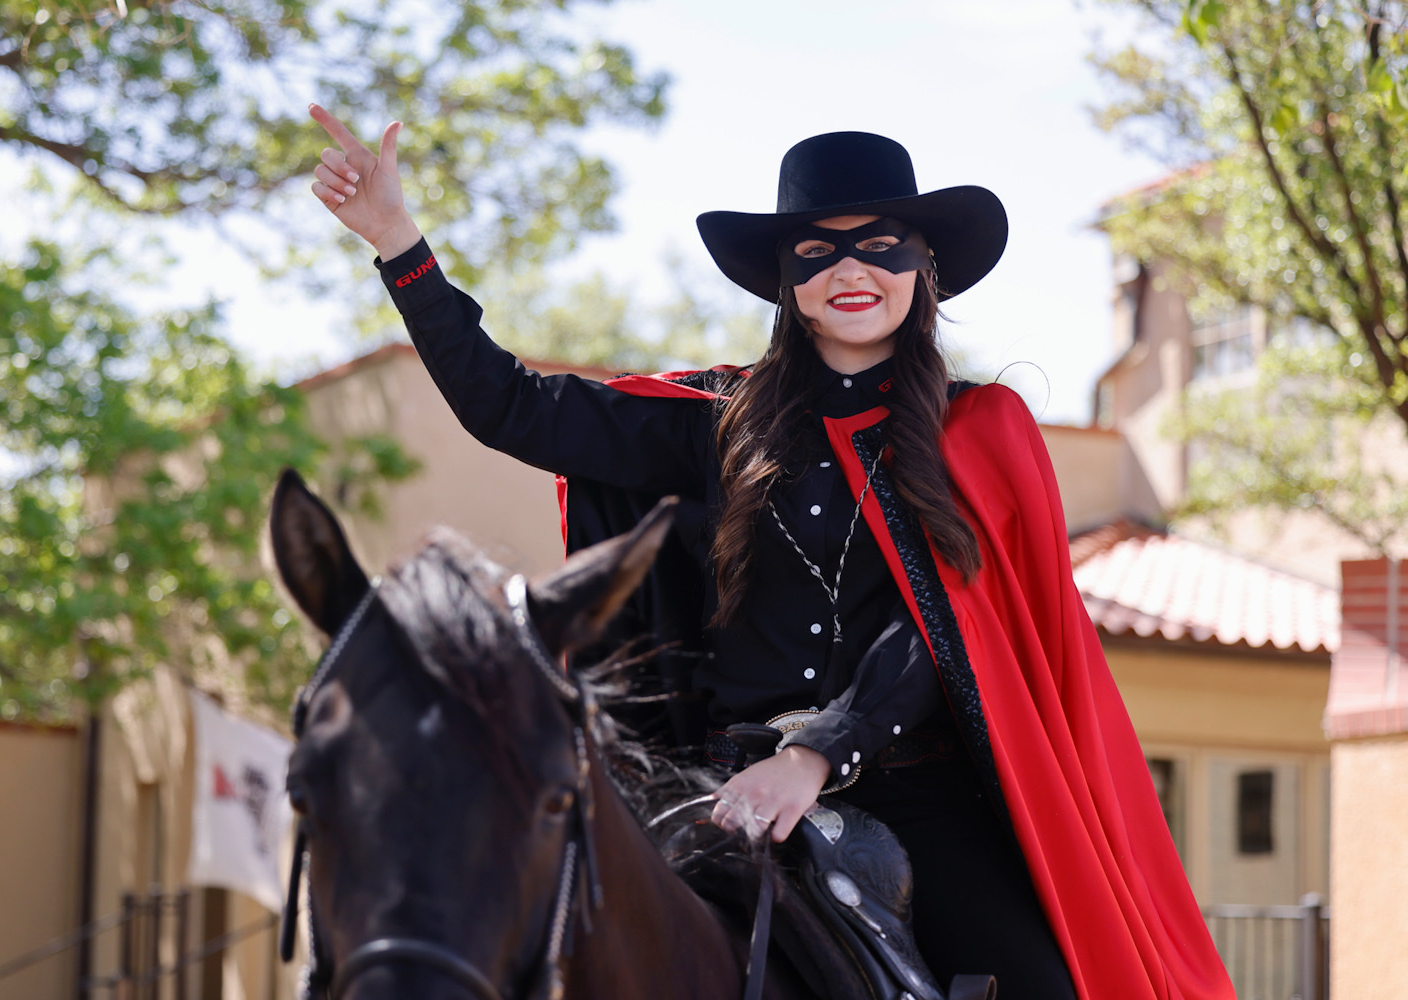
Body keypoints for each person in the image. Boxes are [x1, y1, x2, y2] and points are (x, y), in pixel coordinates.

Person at [306, 106, 1235, 1000]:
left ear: (923, 266)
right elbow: (511, 406)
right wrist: (399, 245)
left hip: (916, 786)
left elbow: (959, 628)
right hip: (718, 787)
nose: (851, 268)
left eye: (881, 244)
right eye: (818, 249)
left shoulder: (976, 434)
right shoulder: (711, 426)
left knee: (1045, 986)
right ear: (785, 277)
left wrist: (820, 752)